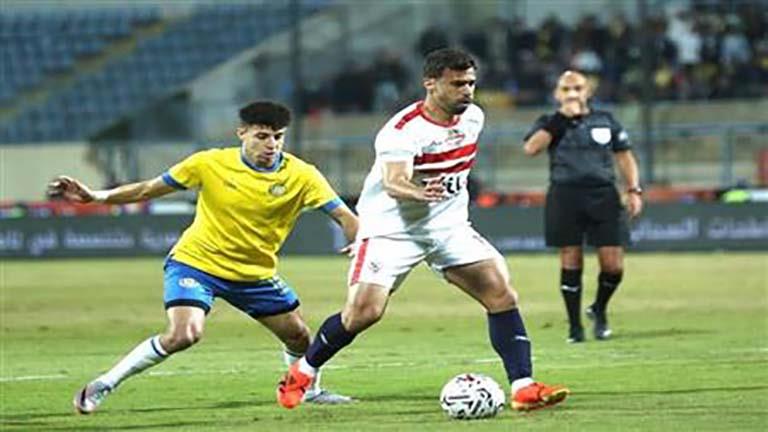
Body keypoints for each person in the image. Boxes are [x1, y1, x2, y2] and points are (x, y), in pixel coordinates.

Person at [276, 48, 569, 411]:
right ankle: (302, 372)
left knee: (501, 294)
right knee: (363, 313)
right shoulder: (402, 131)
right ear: (430, 84)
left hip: (448, 228)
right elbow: (394, 181)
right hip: (392, 230)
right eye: (457, 84)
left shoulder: (473, 117)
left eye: (471, 83)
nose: (467, 91)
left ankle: (523, 387)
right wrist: (420, 192)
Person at [48, 101, 358, 414]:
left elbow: (345, 216)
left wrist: (360, 241)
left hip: (254, 275)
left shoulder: (302, 175)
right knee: (184, 335)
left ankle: (308, 390)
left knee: (299, 337)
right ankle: (104, 383)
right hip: (196, 264)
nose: (272, 145)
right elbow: (146, 190)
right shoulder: (209, 163)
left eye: (278, 137)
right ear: (242, 133)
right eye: (262, 136)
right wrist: (96, 196)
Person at [523, 70, 643, 343]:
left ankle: (599, 308)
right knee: (571, 257)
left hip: (604, 195)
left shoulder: (605, 120)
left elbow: (625, 157)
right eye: (566, 89)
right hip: (565, 195)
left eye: (577, 88)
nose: (572, 94)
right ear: (557, 94)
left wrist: (634, 189)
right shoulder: (549, 122)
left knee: (613, 265)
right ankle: (575, 327)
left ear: (588, 91)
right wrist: (561, 119)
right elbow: (531, 149)